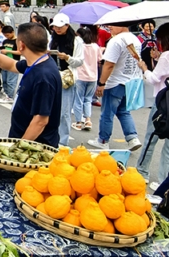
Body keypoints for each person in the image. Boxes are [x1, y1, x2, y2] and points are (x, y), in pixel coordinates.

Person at [0, 22, 62, 147]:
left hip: (34, 146)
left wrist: (17, 148)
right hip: (23, 137)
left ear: (21, 45)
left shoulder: (43, 76)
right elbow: (12, 65)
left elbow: (40, 121)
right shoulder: (37, 62)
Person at [88, 22, 143, 151]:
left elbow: (109, 65)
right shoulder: (135, 39)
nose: (109, 27)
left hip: (115, 82)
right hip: (130, 82)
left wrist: (101, 83)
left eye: (112, 25)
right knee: (124, 111)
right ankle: (132, 137)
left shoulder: (116, 41)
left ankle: (103, 140)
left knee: (107, 113)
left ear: (123, 25)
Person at [136, 23, 169, 185]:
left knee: (151, 137)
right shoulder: (165, 56)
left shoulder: (167, 56)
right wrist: (158, 57)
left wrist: (144, 68)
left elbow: (154, 79)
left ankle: (142, 171)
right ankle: (164, 180)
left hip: (163, 102)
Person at [48, 13, 83, 147]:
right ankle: (51, 138)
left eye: (60, 26)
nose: (57, 29)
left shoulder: (76, 41)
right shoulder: (52, 39)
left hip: (67, 78)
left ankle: (63, 141)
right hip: (52, 75)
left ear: (67, 26)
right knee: (50, 109)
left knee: (64, 112)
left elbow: (80, 61)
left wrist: (67, 58)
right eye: (55, 26)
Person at [72, 27, 103, 132]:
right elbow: (100, 60)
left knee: (78, 99)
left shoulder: (79, 46)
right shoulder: (95, 46)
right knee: (88, 99)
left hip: (80, 76)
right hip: (93, 76)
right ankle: (88, 120)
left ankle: (78, 122)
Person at [0, 26, 19, 105]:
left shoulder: (17, 41)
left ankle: (10, 96)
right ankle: (6, 94)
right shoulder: (5, 41)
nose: (6, 37)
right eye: (5, 35)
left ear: (12, 32)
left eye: (8, 35)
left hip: (13, 63)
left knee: (11, 81)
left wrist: (8, 51)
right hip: (4, 62)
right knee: (5, 80)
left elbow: (20, 52)